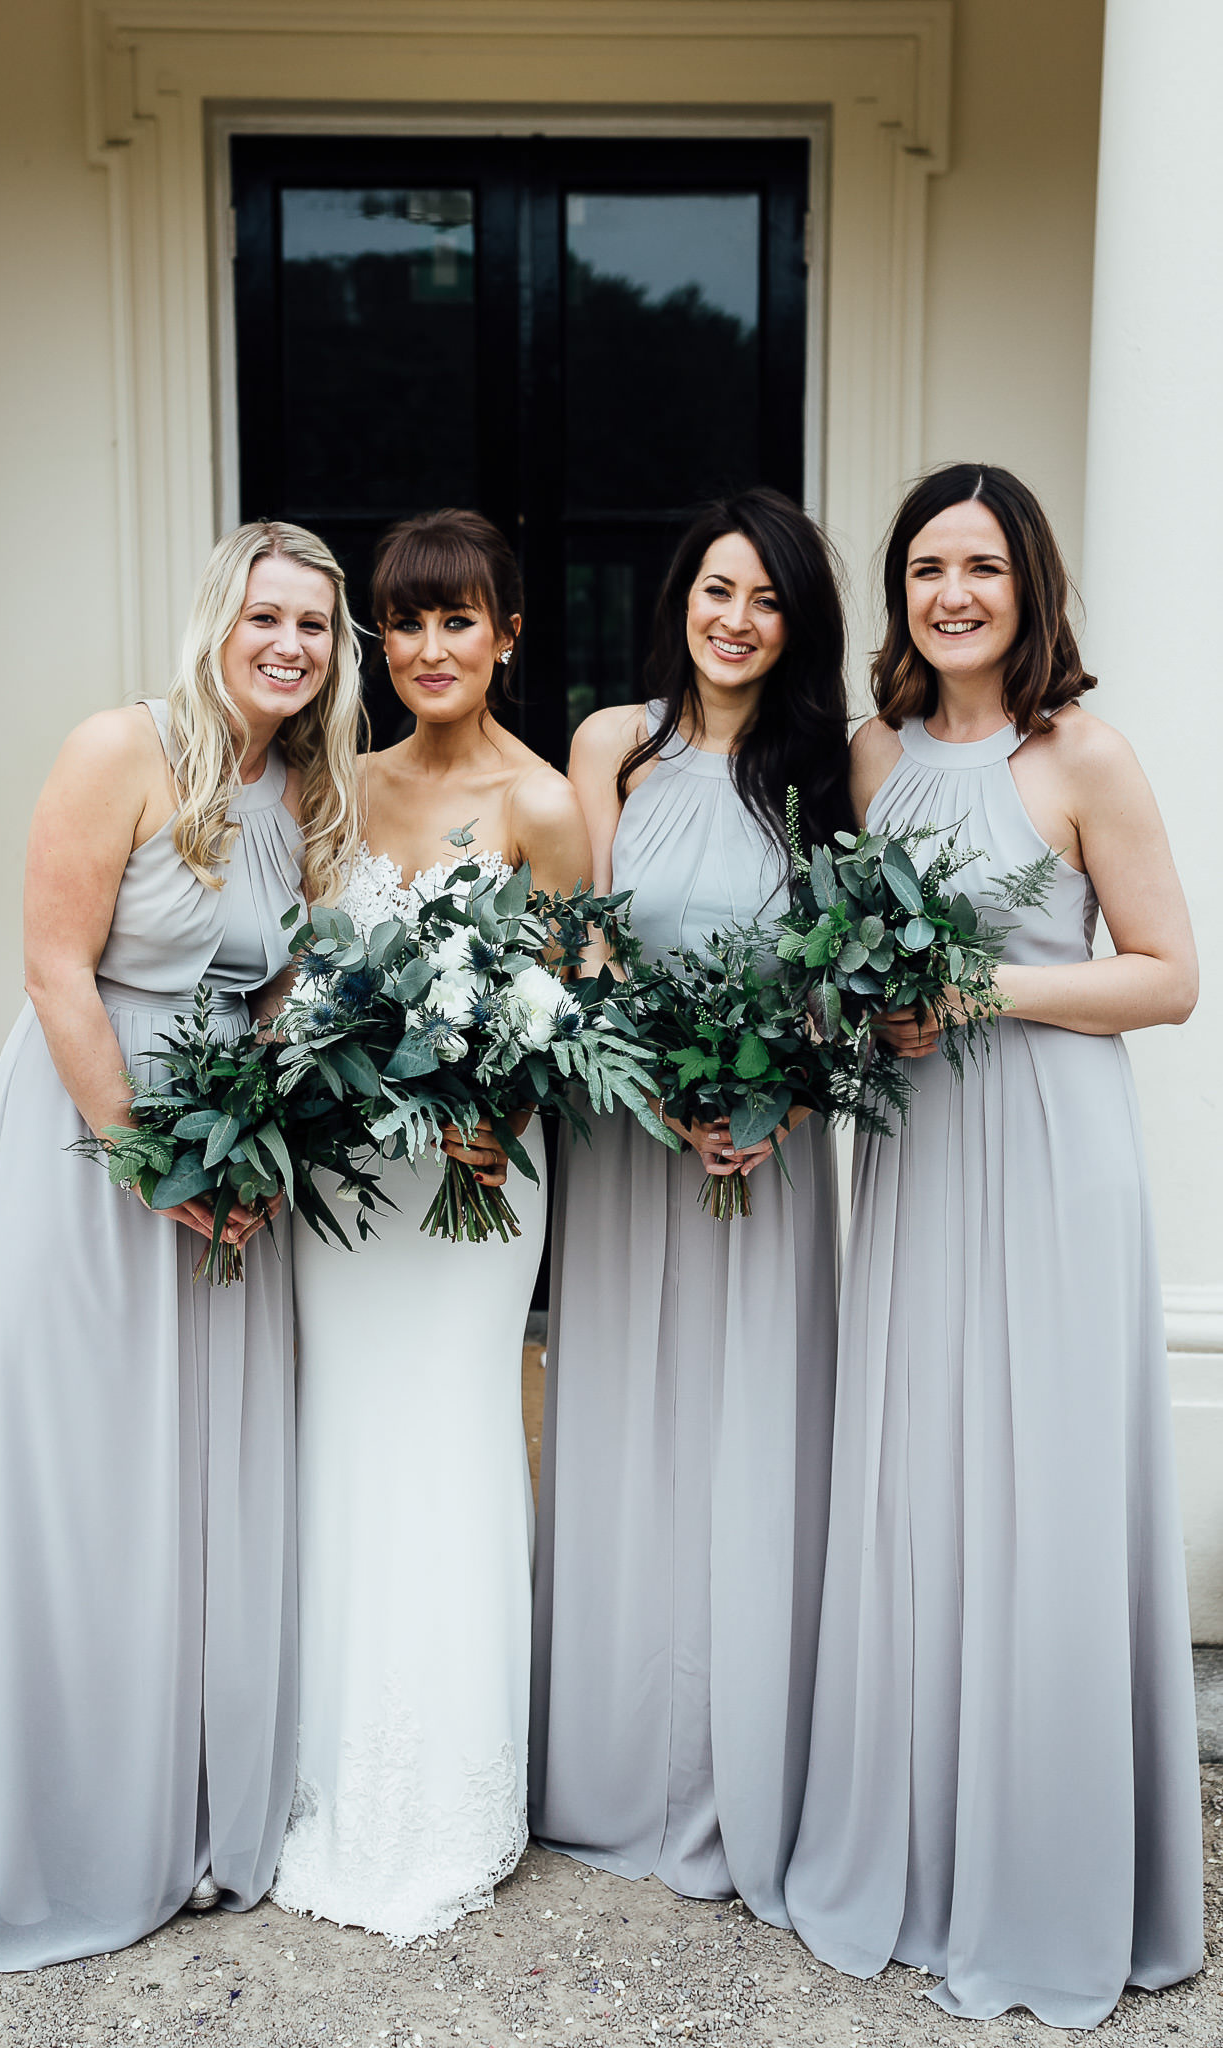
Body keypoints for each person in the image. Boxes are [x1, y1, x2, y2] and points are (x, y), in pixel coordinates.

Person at [0, 521, 363, 1970]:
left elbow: (270, 992)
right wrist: (150, 1158)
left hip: (231, 1155)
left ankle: (183, 1808)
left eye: (314, 628)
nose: (288, 645)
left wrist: (274, 1121)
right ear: (217, 619)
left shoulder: (303, 786)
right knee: (77, 1463)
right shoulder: (120, 749)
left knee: (196, 1469)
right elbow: (53, 967)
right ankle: (44, 1820)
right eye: (266, 616)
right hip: (97, 1146)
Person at [783, 464, 1204, 2025]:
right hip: (916, 1154)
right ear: (898, 596)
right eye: (924, 569)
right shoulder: (870, 754)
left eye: (980, 566)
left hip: (1048, 1149)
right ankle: (919, 1847)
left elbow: (1164, 978)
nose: (950, 593)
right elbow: (829, 956)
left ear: (1028, 585)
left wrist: (977, 994)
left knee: (1040, 1478)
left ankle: (1050, 1869)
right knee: (923, 1473)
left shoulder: (1082, 754)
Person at [529, 488, 851, 1920]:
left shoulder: (829, 766)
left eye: (766, 599)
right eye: (717, 592)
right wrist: (652, 1085)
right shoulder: (612, 741)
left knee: (746, 1436)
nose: (736, 620)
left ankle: (745, 1764)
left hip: (762, 1152)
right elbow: (585, 933)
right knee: (627, 1427)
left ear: (798, 624)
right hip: (626, 1134)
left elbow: (846, 966)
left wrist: (778, 1093)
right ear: (681, 601)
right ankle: (603, 1767)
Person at [272, 508, 592, 1945]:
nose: (429, 648)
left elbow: (575, 1007)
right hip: (349, 1188)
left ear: (507, 634)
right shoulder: (334, 785)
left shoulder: (541, 802)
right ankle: (325, 1764)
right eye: (405, 622)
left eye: (458, 619)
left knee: (454, 1441)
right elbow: (289, 982)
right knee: (345, 1439)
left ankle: (453, 1793)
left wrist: (501, 1109)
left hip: (470, 1181)